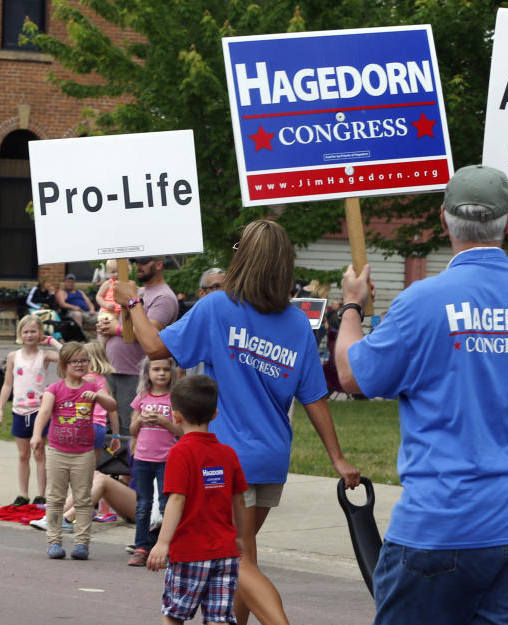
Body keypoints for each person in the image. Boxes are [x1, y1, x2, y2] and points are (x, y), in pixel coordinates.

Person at [334, 165, 508, 625]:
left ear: (444, 220)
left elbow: (351, 375)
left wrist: (352, 305)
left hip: (442, 523)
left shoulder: (421, 301)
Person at [117, 220, 360, 625]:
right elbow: (314, 396)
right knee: (244, 551)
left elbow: (156, 347)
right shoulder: (298, 323)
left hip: (224, 457)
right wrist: (336, 457)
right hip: (270, 458)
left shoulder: (218, 307)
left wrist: (132, 303)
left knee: (235, 554)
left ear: (242, 257)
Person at [146, 375, 247, 625]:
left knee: (174, 614)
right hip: (225, 552)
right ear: (215, 415)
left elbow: (176, 500)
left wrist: (162, 542)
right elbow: (239, 501)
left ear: (176, 416)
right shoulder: (227, 454)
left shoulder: (180, 452)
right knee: (219, 616)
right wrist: (241, 536)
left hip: (190, 551)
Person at [30, 342, 117, 560]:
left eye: (83, 360)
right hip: (58, 451)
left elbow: (112, 405)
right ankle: (54, 541)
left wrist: (98, 397)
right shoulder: (55, 389)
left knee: (83, 499)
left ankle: (81, 543)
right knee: (56, 497)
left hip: (84, 453)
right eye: (75, 361)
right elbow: (45, 412)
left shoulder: (93, 387)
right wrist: (36, 435)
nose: (80, 365)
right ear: (64, 365)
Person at [96, 256, 178, 435]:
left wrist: (114, 329)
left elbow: (151, 334)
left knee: (127, 429)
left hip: (134, 373)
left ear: (159, 264)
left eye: (143, 262)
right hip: (110, 368)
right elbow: (115, 317)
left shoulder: (164, 297)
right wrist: (104, 326)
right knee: (104, 426)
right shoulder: (136, 291)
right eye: (136, 263)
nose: (138, 266)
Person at [0, 315, 63, 506]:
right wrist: (0, 408)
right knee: (23, 454)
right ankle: (23, 493)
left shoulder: (45, 355)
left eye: (33, 331)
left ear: (40, 333)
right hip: (19, 411)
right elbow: (7, 385)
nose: (30, 335)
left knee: (39, 452)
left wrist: (52, 341)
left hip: (38, 411)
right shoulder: (13, 356)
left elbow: (69, 356)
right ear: (20, 334)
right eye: (26, 332)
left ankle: (41, 494)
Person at [127, 356, 182, 567]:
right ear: (147, 373)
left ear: (172, 373)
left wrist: (163, 422)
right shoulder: (141, 397)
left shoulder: (175, 399)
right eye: (156, 370)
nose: (161, 374)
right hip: (142, 458)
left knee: (165, 504)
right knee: (143, 504)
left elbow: (181, 432)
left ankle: (164, 545)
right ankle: (142, 546)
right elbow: (132, 430)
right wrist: (141, 419)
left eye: (165, 370)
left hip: (167, 459)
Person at [181, 267, 226, 376]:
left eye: (227, 286)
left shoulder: (238, 317)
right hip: (199, 387)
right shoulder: (190, 320)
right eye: (216, 287)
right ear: (201, 293)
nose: (223, 291)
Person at [82, 341, 122, 456]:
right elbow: (112, 411)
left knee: (79, 466)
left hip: (86, 425)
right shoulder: (102, 380)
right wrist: (115, 435)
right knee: (92, 467)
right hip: (100, 428)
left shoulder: (87, 379)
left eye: (81, 359)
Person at [95, 259, 121, 323]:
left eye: (119, 271)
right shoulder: (108, 283)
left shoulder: (126, 283)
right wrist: (105, 304)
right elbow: (99, 296)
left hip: (121, 313)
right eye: (113, 272)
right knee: (109, 324)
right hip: (107, 312)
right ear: (108, 273)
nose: (116, 274)